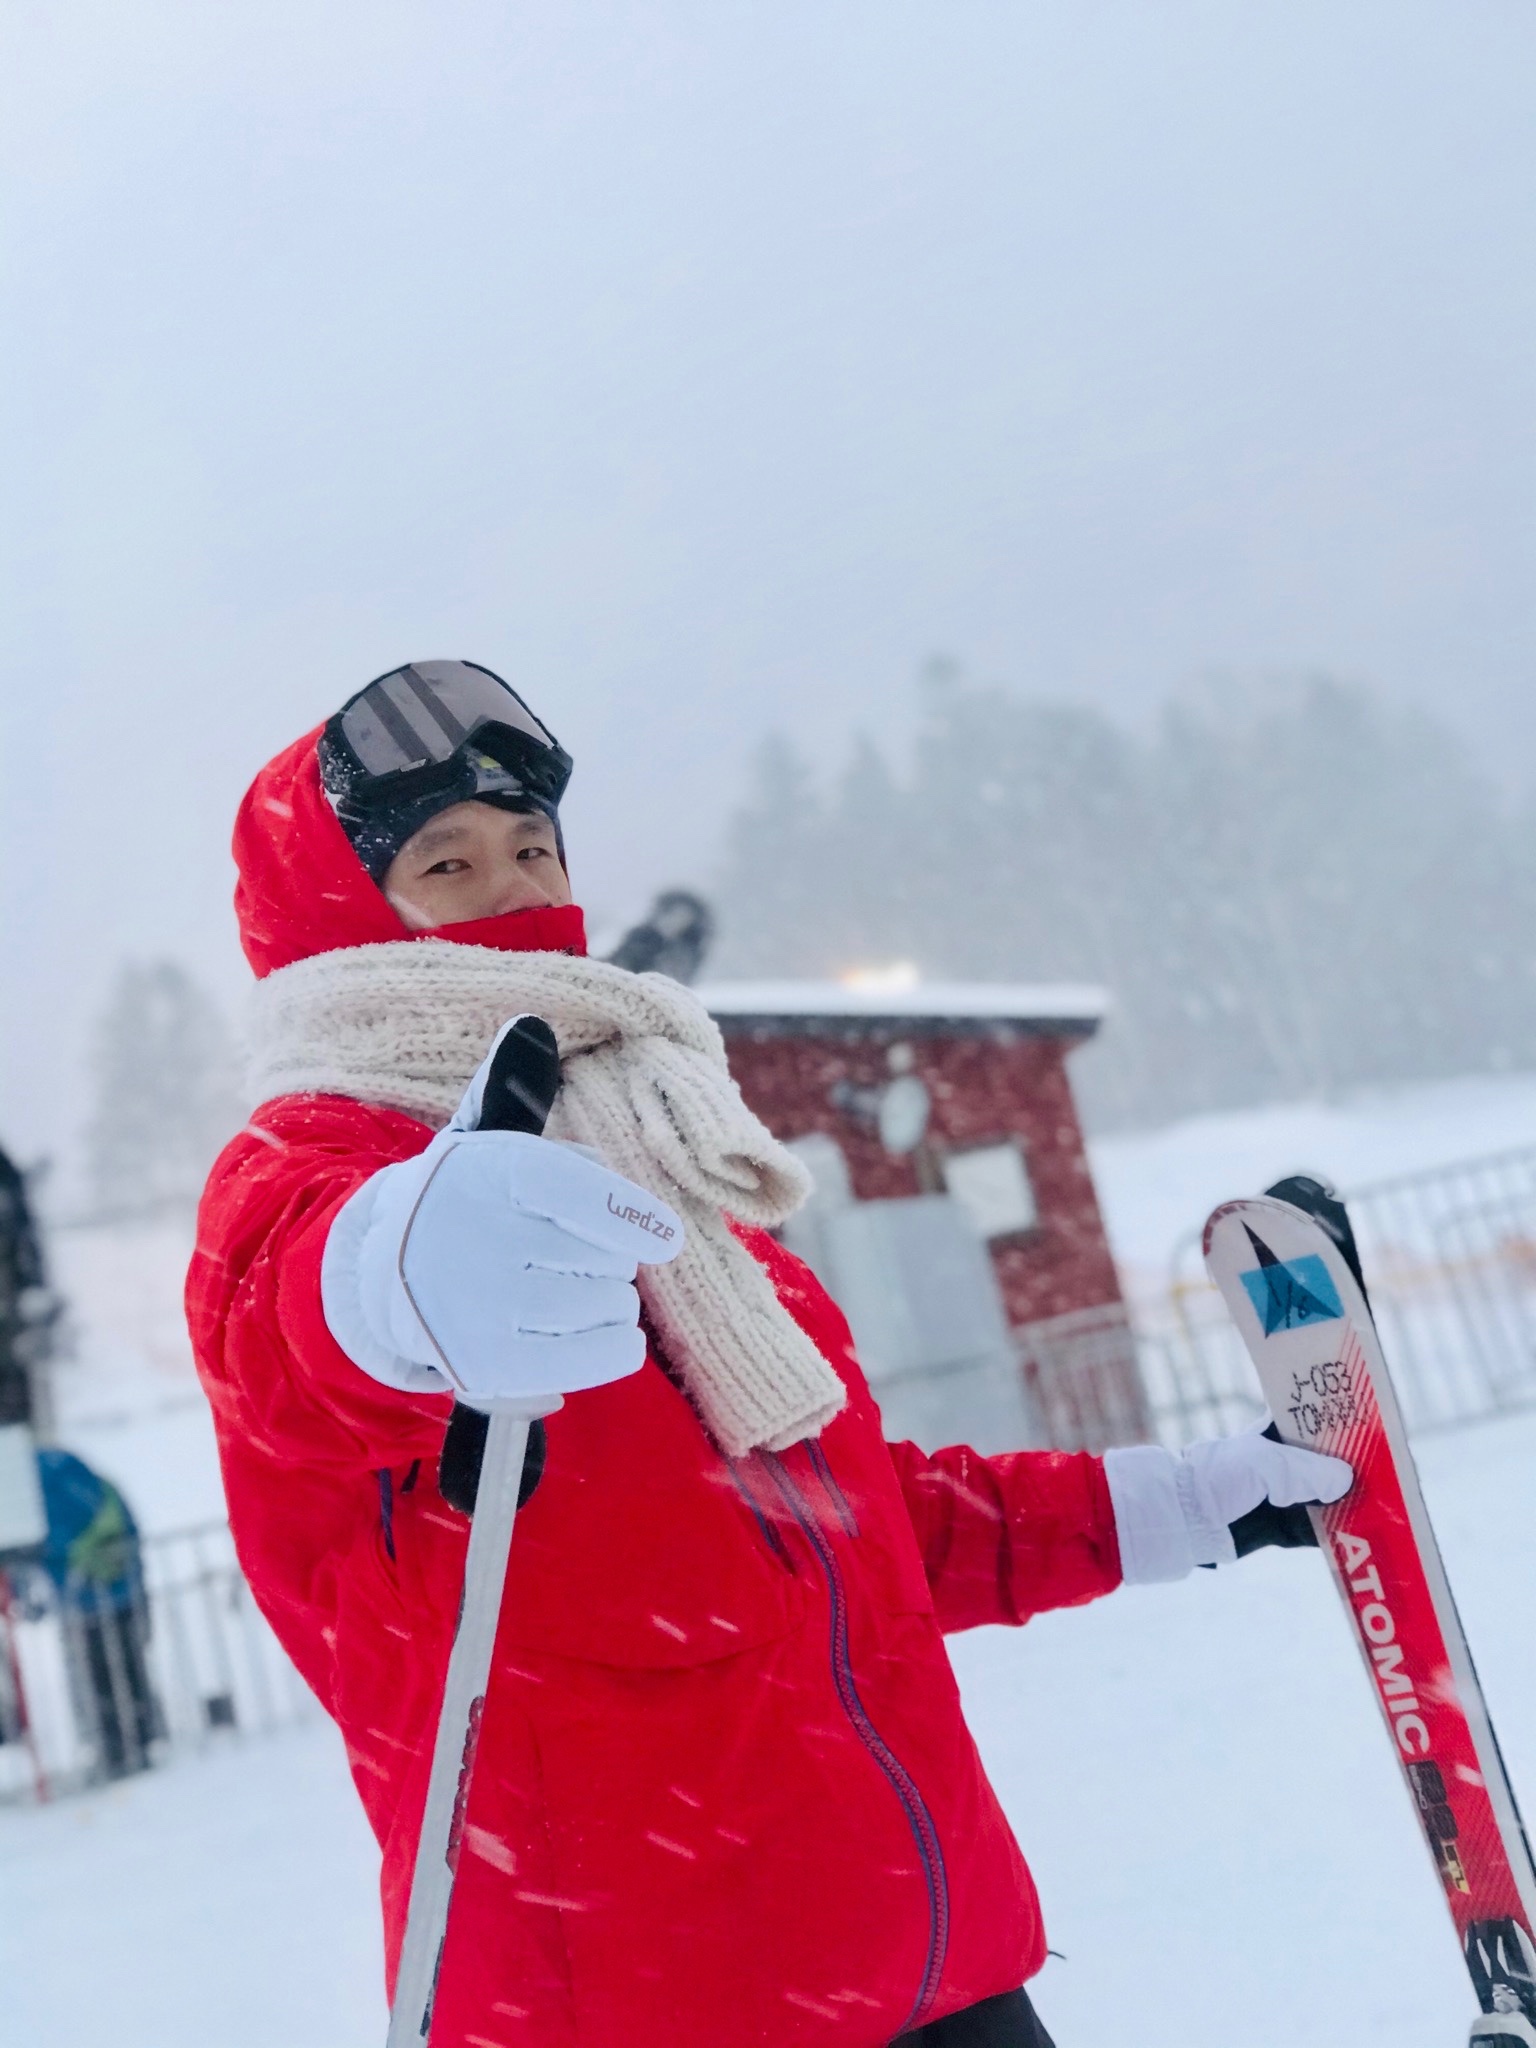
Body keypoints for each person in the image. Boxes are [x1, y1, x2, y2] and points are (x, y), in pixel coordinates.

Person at [187, 660, 1352, 2048]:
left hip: (942, 1971)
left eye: (532, 849)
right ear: (339, 917)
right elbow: (290, 1335)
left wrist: (1168, 1504)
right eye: (447, 863)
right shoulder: (309, 1170)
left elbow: (846, 1530)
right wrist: (399, 1271)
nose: (514, 893)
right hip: (650, 2004)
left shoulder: (655, 1144)